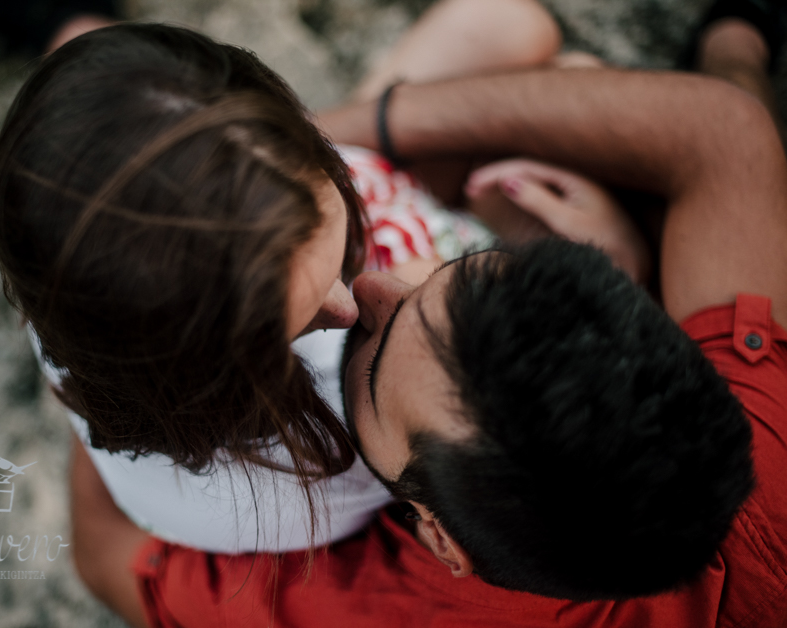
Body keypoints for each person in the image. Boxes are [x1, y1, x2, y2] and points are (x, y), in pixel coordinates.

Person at [74, 4, 786, 628]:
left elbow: (106, 555)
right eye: (462, 270)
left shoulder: (365, 608)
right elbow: (726, 132)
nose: (371, 288)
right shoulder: (767, 433)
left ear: (441, 540)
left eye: (376, 357)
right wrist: (289, 160)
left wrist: (127, 358)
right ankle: (733, 43)